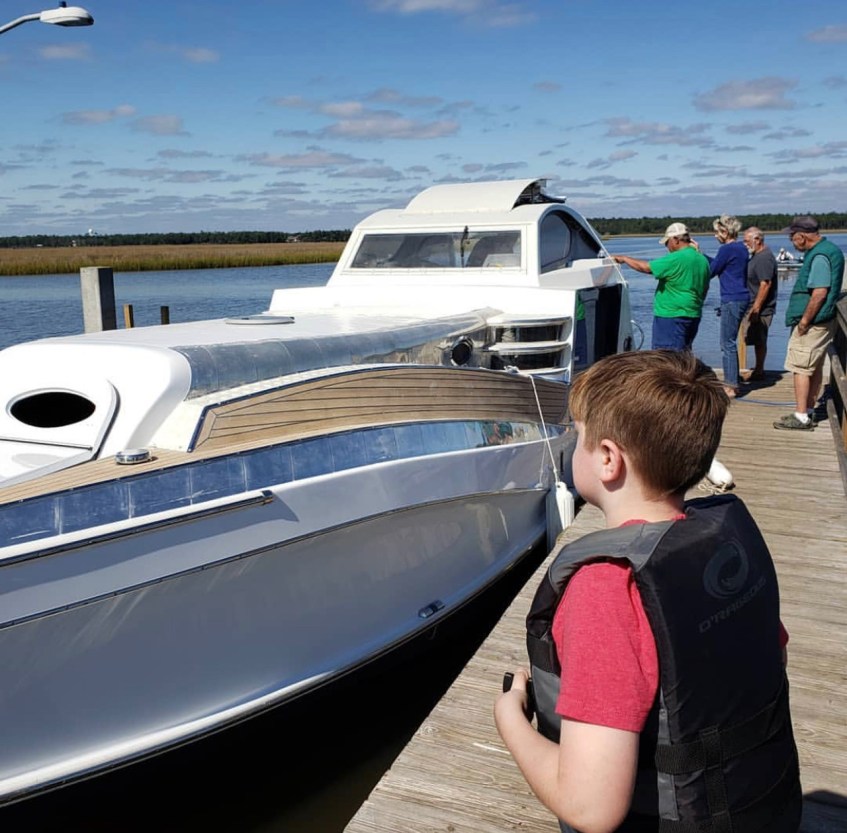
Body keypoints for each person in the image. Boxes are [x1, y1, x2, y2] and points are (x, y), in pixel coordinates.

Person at [494, 349, 801, 833]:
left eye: (577, 435)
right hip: (760, 808)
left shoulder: (606, 588)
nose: (572, 446)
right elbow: (772, 657)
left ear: (608, 459)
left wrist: (510, 719)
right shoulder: (721, 545)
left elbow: (590, 808)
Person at [774, 215, 845, 430]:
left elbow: (819, 292)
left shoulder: (820, 256)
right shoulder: (828, 250)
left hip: (814, 323)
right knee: (812, 366)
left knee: (801, 367)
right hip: (822, 321)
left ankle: (802, 416)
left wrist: (804, 322)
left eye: (792, 236)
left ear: (802, 236)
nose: (791, 241)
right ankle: (807, 410)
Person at [612, 223, 710, 352]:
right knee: (684, 355)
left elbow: (646, 268)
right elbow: (705, 288)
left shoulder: (676, 258)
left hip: (671, 316)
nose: (666, 246)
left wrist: (624, 259)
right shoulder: (702, 259)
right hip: (693, 314)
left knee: (665, 357)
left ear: (676, 240)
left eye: (667, 242)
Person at [701, 215, 751, 398]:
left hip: (732, 298)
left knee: (727, 343)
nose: (715, 235)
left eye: (717, 232)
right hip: (742, 297)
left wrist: (699, 256)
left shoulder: (726, 249)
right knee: (731, 342)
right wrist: (701, 254)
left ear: (725, 231)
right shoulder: (741, 248)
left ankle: (731, 386)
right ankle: (733, 380)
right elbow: (719, 265)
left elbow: (712, 270)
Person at [742, 226, 778, 381]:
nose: (745, 244)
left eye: (746, 241)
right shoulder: (756, 256)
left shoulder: (764, 258)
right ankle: (758, 368)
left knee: (760, 339)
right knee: (754, 339)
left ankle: (759, 370)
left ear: (757, 240)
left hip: (761, 308)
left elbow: (765, 284)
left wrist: (756, 308)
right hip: (753, 305)